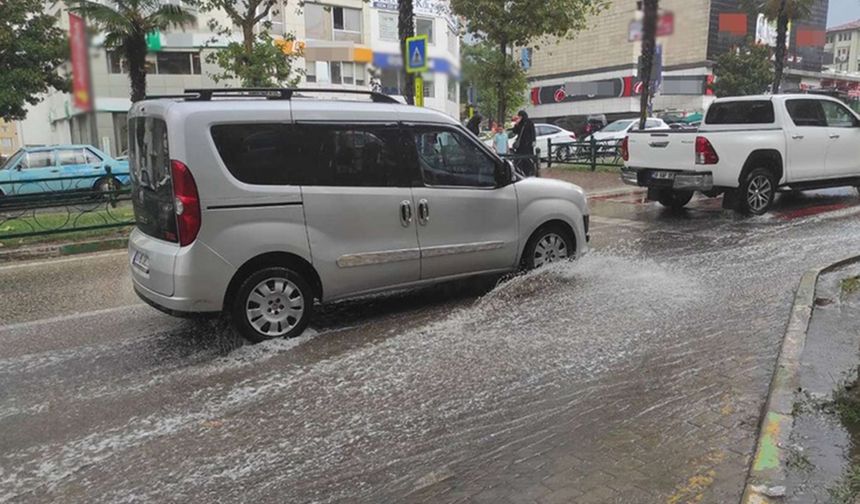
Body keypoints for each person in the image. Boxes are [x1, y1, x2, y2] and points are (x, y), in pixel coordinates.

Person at [511, 110, 537, 175]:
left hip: (528, 143)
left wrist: (533, 140)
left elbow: (533, 132)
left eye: (520, 116)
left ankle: (529, 171)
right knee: (519, 157)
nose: (519, 117)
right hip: (520, 144)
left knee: (528, 158)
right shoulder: (519, 123)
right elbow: (515, 131)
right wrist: (516, 124)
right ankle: (520, 170)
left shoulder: (529, 122)